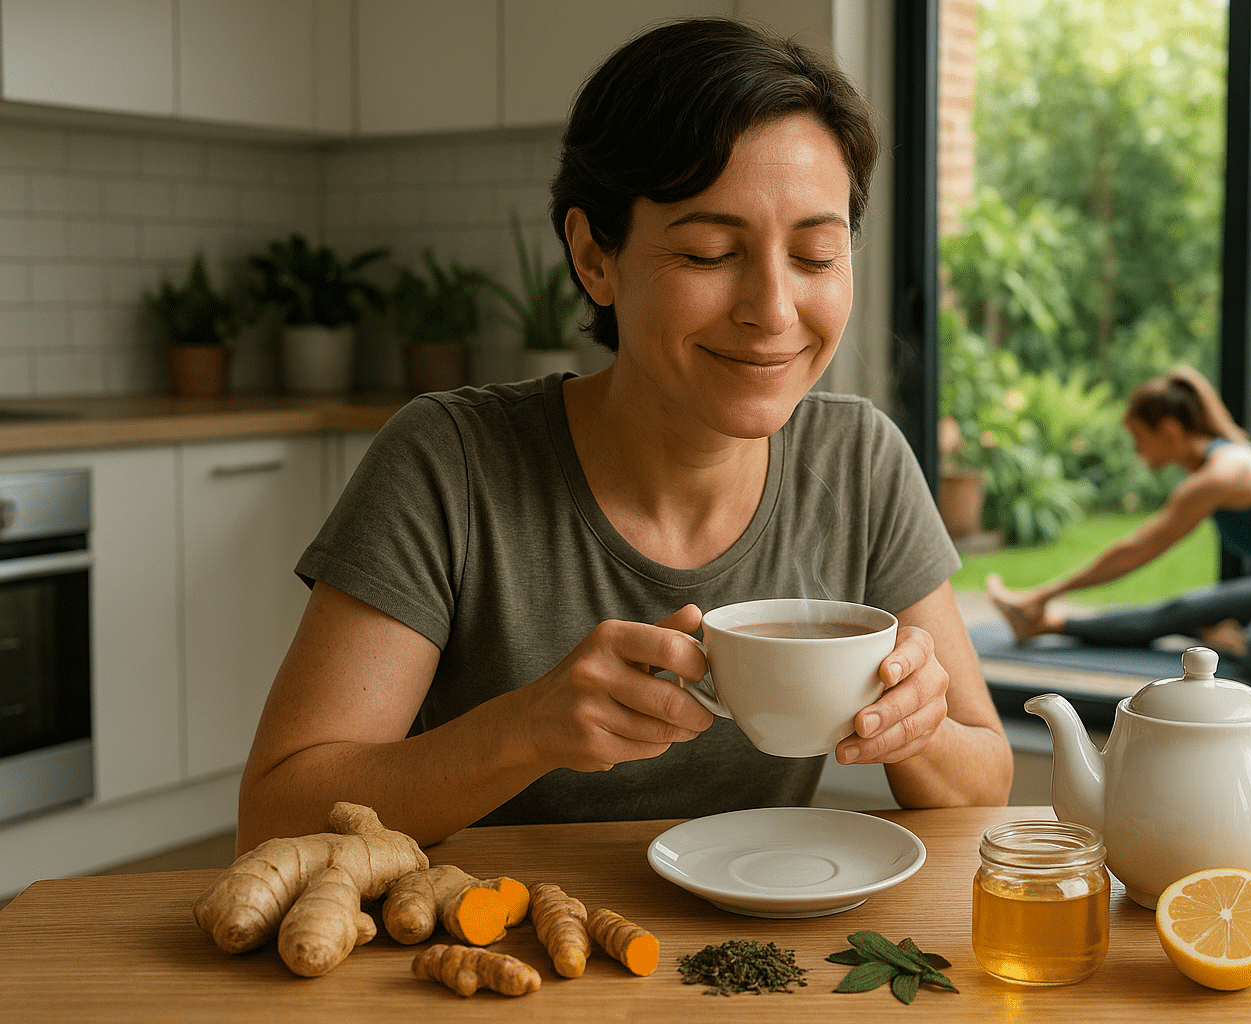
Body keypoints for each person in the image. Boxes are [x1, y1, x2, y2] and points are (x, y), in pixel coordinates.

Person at [236, 17, 1013, 853]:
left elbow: (984, 780)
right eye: (713, 252)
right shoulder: (449, 463)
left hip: (741, 958)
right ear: (594, 257)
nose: (774, 312)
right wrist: (528, 727)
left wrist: (918, 724)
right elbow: (276, 817)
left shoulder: (858, 461)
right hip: (485, 949)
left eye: (817, 256)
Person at [986, 365, 1251, 683]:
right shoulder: (1220, 463)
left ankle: (1229, 639)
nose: (1135, 450)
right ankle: (1046, 625)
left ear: (1168, 430)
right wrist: (1045, 603)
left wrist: (1043, 591)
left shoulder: (1221, 475)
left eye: (1138, 437)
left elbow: (1135, 551)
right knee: (1177, 611)